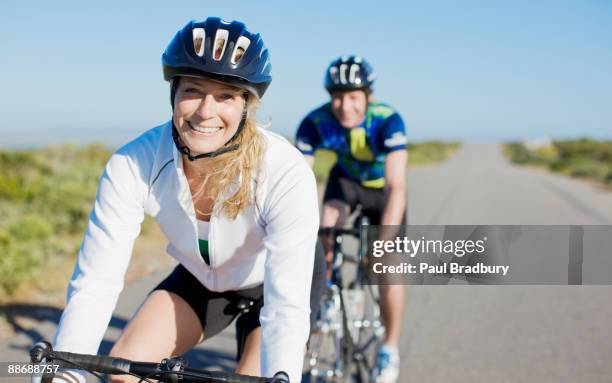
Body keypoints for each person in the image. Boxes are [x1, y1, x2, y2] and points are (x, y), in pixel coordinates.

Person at [51, 17, 324, 383]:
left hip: (273, 286)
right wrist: (68, 371)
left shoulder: (284, 170)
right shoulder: (133, 163)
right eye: (193, 90)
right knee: (124, 373)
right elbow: (96, 283)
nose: (205, 111)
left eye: (225, 95)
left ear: (246, 106)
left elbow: (286, 309)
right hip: (201, 280)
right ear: (174, 93)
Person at [295, 55, 407, 383]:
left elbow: (397, 187)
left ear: (368, 96)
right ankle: (327, 288)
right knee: (325, 228)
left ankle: (389, 347)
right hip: (344, 183)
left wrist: (382, 244)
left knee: (387, 265)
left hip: (381, 190)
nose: (345, 106)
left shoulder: (387, 120)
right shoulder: (315, 123)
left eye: (354, 97)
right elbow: (298, 181)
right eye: (338, 97)